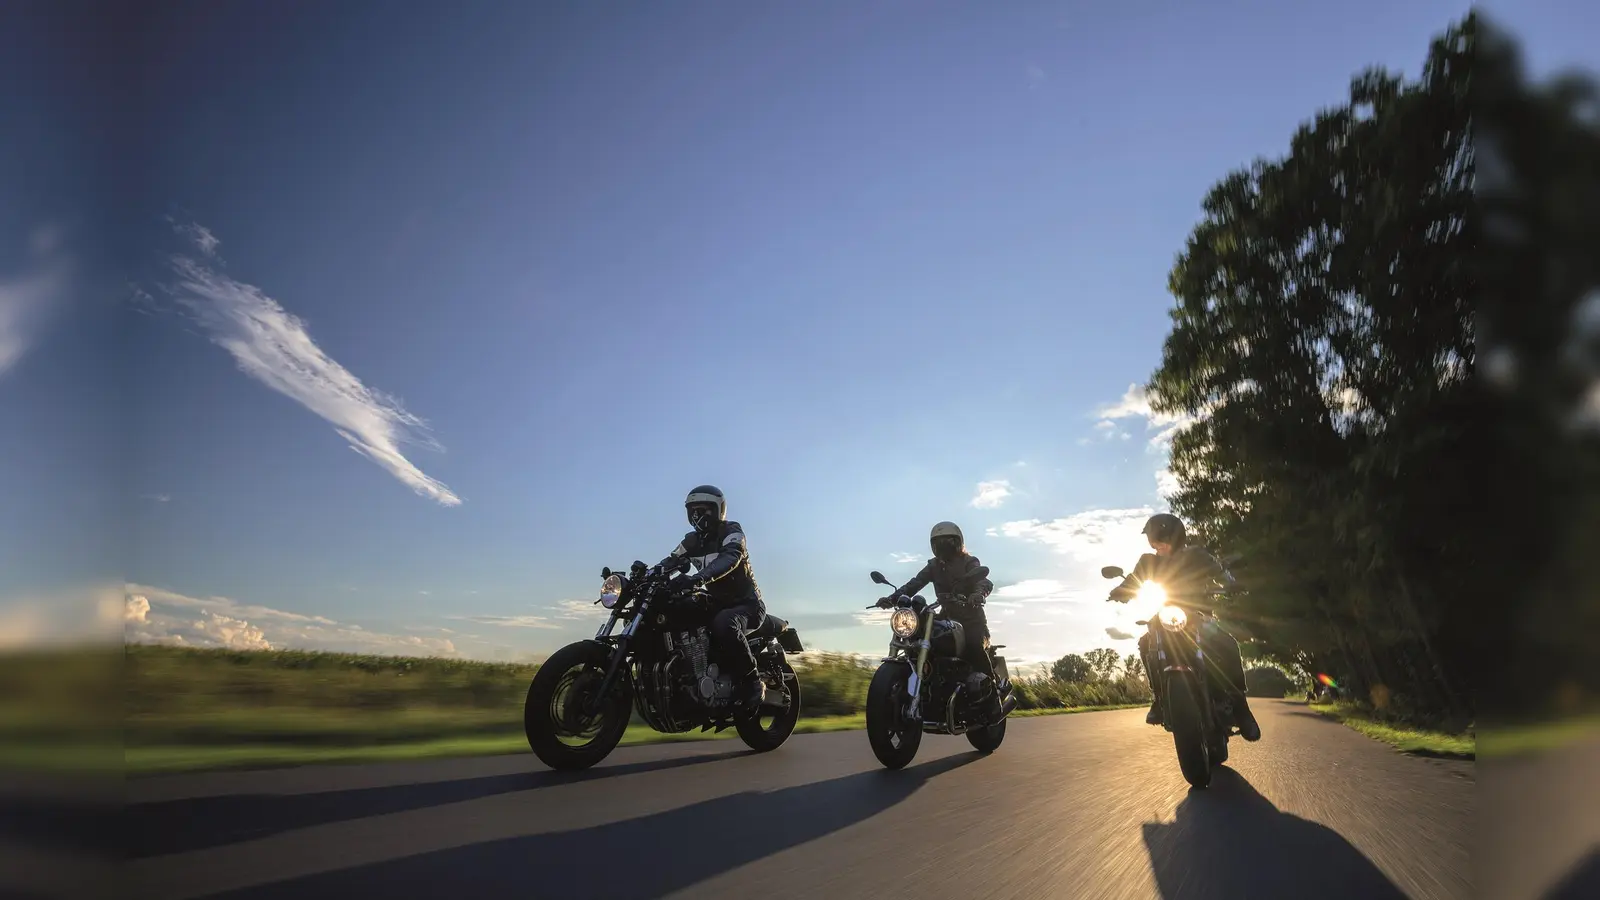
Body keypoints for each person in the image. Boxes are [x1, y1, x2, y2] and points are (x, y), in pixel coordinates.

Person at [1107, 513, 1262, 742]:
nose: (1156, 545)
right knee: (1144, 643)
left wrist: (1230, 582)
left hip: (1199, 615)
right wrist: (1120, 590)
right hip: (1167, 615)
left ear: (1175, 537)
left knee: (1227, 643)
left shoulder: (1196, 555)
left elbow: (1219, 572)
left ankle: (1241, 707)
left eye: (1159, 540)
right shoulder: (1149, 561)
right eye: (1153, 542)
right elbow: (1133, 579)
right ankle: (1160, 699)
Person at [877, 521, 1006, 721]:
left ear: (958, 543)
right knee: (918, 638)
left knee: (974, 646)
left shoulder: (969, 562)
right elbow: (915, 583)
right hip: (946, 617)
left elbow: (983, 581)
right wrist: (893, 598)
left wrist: (978, 594)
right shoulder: (933, 565)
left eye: (948, 542)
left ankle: (993, 703)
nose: (943, 547)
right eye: (939, 543)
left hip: (972, 620)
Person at [659, 485, 767, 713]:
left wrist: (697, 578)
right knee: (680, 609)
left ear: (719, 510)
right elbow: (669, 562)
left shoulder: (731, 531)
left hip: (746, 605)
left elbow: (731, 558)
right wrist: (644, 577)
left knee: (724, 623)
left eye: (704, 509)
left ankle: (753, 680)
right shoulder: (691, 541)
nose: (697, 515)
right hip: (716, 602)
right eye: (693, 510)